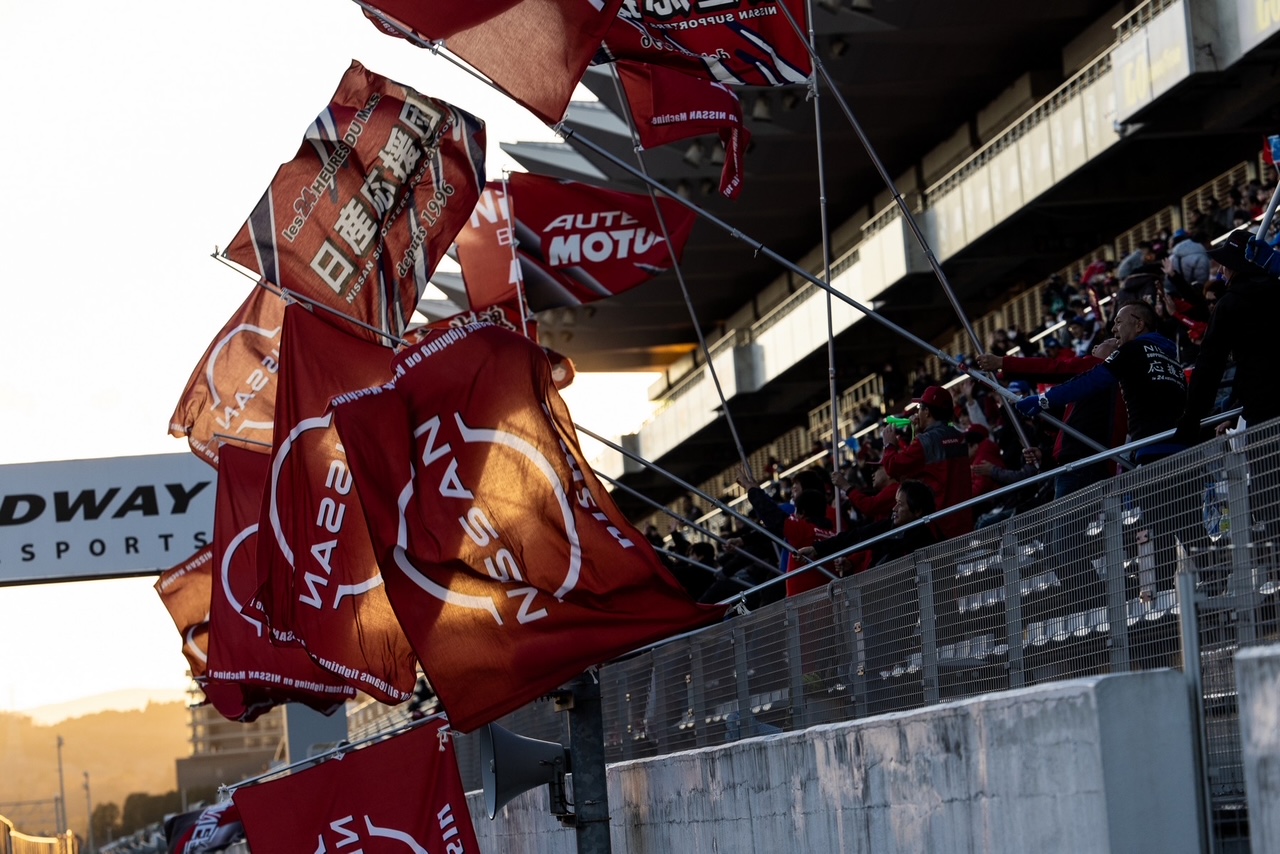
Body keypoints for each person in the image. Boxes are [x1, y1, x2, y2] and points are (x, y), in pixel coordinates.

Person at [1016, 301, 1186, 464]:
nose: (1113, 329)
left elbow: (1091, 381)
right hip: (1185, 446)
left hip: (1154, 451)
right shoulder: (1172, 359)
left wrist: (1044, 399)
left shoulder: (1132, 349)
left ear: (1139, 325)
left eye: (1118, 322)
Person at [1176, 227, 1280, 443]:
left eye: (1225, 265)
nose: (1221, 272)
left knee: (1267, 474)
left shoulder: (1229, 304)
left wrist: (1192, 417)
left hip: (1263, 411)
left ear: (1235, 267)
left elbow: (1209, 364)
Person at [880, 386, 972, 539]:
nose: (917, 413)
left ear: (927, 412)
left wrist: (889, 445)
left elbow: (893, 467)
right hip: (963, 519)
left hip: (939, 524)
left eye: (919, 408)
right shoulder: (959, 437)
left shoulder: (925, 442)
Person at [735, 465, 834, 596]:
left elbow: (772, 515)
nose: (794, 515)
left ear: (802, 512)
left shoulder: (802, 529)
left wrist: (751, 489)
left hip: (805, 603)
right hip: (825, 596)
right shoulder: (831, 533)